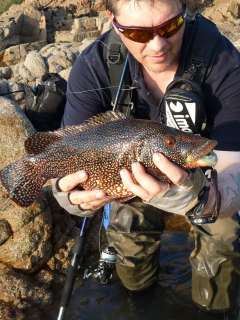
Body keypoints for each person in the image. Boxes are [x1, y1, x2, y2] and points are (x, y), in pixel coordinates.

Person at [52, 0, 240, 318]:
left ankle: (213, 308)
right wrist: (67, 195)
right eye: (138, 33)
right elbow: (63, 152)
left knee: (223, 238)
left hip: (206, 182)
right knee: (130, 258)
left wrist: (194, 199)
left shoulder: (221, 60)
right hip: (124, 178)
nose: (157, 45)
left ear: (185, 12)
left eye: (170, 27)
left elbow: (234, 172)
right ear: (113, 22)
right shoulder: (95, 65)